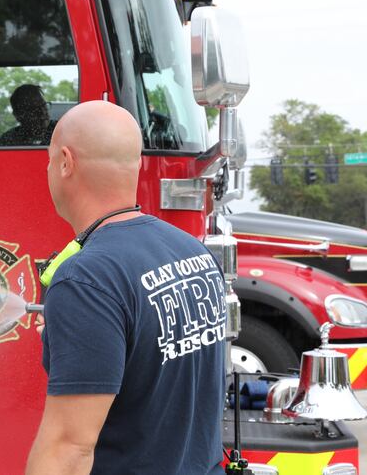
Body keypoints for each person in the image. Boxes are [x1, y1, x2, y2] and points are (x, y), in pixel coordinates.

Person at [26, 100, 227, 475]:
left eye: (50, 161)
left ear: (66, 162)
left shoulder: (86, 280)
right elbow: (154, 369)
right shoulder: (192, 251)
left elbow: (68, 450)